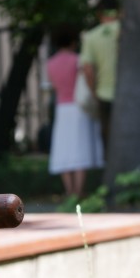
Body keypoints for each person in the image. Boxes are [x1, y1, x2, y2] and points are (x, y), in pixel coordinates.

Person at [47, 23, 104, 198]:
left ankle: (69, 191)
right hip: (79, 107)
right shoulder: (77, 60)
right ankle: (79, 191)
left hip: (62, 109)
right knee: (80, 148)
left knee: (64, 149)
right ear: (73, 41)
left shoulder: (51, 63)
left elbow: (54, 86)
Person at [78, 0, 120, 154]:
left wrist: (93, 91)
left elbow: (88, 69)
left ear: (99, 13)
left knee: (108, 139)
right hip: (129, 94)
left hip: (104, 94)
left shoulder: (91, 36)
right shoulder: (128, 32)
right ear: (118, 11)